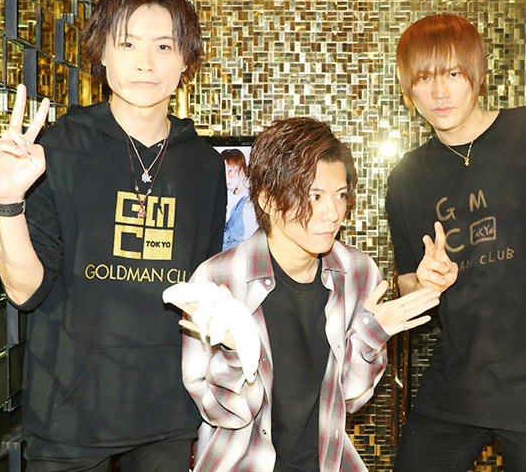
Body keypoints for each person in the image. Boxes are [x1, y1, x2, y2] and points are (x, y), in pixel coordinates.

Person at [0, 0, 226, 470]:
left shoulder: (205, 166)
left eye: (164, 46)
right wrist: (8, 202)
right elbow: (26, 292)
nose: (145, 62)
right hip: (68, 415)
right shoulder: (57, 149)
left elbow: (203, 291)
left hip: (168, 414)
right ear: (103, 54)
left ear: (186, 59)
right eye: (128, 43)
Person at [386, 14, 526, 472]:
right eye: (424, 78)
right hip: (456, 385)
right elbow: (408, 284)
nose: (439, 92)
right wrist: (426, 285)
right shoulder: (406, 178)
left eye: (453, 73)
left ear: (478, 75)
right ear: (408, 90)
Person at [167, 117, 441, 471]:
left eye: (340, 195)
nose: (333, 213)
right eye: (314, 196)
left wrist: (372, 335)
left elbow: (351, 399)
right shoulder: (219, 280)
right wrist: (237, 354)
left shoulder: (358, 273)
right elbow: (224, 414)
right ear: (267, 199)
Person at [221, 148, 258, 250]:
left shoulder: (252, 199)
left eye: (230, 171)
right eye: (223, 172)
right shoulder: (226, 194)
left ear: (242, 169)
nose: (227, 177)